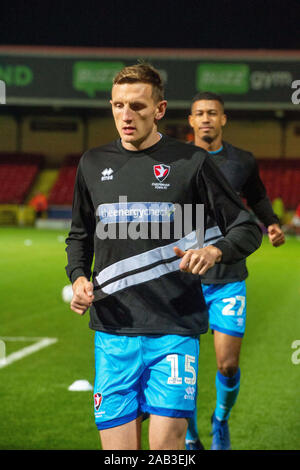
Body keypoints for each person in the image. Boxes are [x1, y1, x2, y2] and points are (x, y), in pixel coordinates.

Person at [65, 65, 262, 451]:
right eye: (118, 105)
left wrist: (214, 249)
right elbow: (80, 235)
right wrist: (77, 277)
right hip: (112, 332)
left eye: (137, 106)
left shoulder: (191, 162)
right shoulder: (91, 163)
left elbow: (247, 226)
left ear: (159, 109)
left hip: (174, 329)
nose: (126, 115)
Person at [185, 91, 285, 450]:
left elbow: (257, 196)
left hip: (228, 275)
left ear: (223, 119)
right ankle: (190, 433)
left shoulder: (242, 161)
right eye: (200, 114)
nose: (207, 119)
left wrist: (271, 223)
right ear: (191, 121)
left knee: (227, 365)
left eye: (213, 113)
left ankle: (220, 421)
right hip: (185, 279)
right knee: (182, 370)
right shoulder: (177, 160)